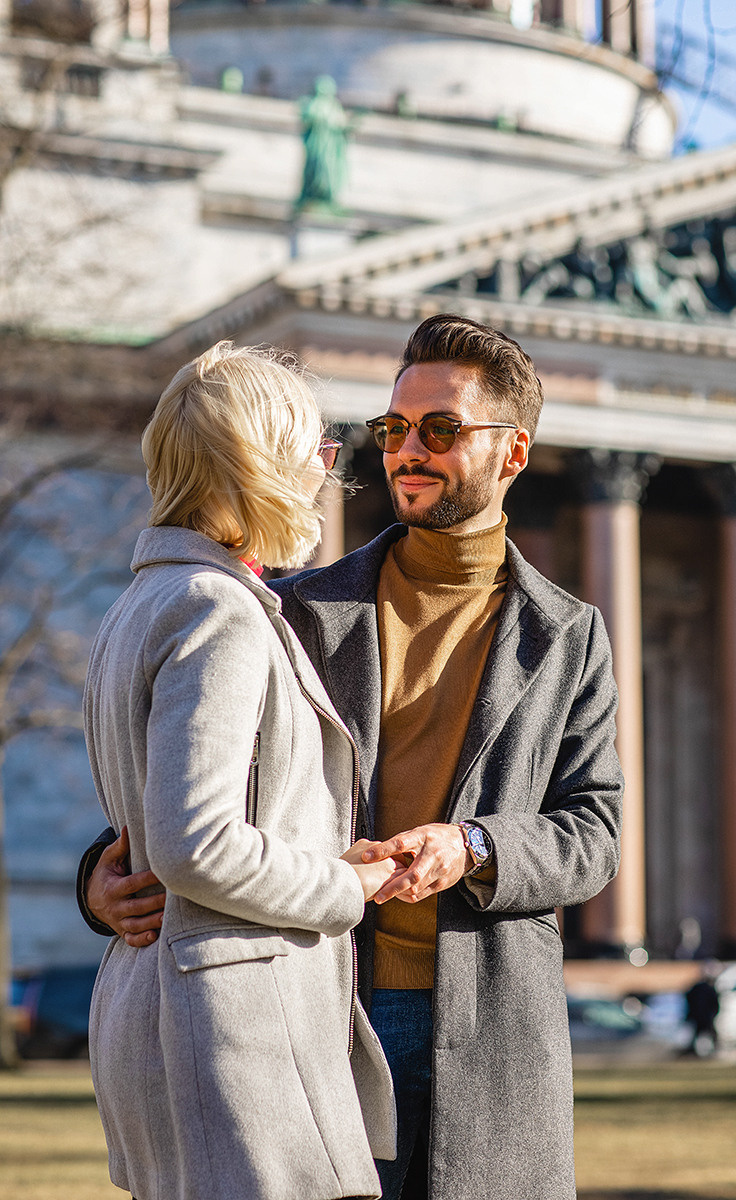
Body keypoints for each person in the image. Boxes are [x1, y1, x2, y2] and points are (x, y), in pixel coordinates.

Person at [79, 314, 624, 1200]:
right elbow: (185, 801)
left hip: (485, 1027)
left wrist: (473, 848)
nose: (407, 451)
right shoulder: (285, 605)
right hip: (313, 1007)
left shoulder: (570, 636)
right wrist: (98, 884)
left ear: (512, 452)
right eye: (394, 429)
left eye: (440, 430)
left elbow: (592, 832)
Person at [81, 341, 399, 1200]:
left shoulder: (140, 604)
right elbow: (197, 843)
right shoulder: (218, 610)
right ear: (262, 462)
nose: (326, 475)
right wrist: (346, 885)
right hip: (236, 1039)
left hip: (160, 1017)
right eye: (316, 453)